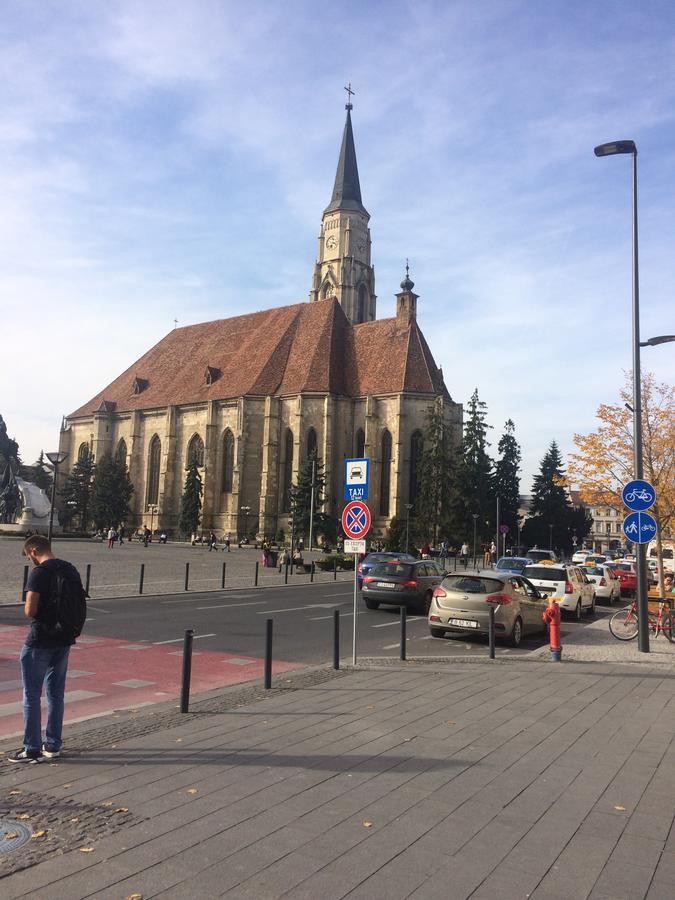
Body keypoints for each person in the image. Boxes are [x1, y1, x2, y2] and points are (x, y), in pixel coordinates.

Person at [8, 535, 84, 763]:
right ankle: (53, 745)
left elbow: (30, 610)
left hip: (41, 640)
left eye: (28, 555)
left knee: (31, 694)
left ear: (33, 550)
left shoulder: (40, 572)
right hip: (64, 638)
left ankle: (31, 747)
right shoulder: (70, 569)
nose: (29, 559)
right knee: (56, 694)